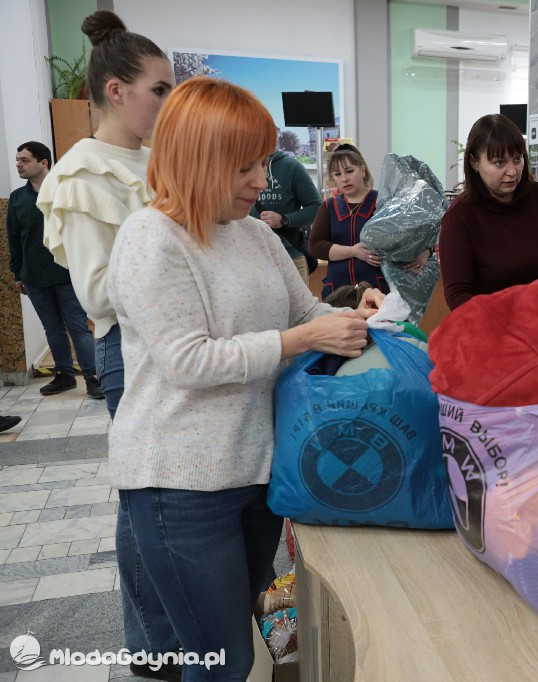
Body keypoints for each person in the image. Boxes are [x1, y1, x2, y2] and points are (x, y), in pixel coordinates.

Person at [105, 76, 377, 681]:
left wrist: (354, 313)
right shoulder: (151, 240)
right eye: (245, 167)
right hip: (179, 484)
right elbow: (188, 360)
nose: (262, 180)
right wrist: (299, 341)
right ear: (198, 160)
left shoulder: (254, 234)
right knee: (219, 656)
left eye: (262, 163)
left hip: (256, 472)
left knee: (238, 642)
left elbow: (306, 313)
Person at [35, 10, 180, 680]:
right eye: (160, 88)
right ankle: (150, 643)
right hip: (131, 350)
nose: (169, 100)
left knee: (179, 502)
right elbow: (97, 293)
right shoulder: (82, 173)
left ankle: (183, 625)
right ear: (117, 90)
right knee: (143, 502)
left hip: (178, 343)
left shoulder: (156, 159)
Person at [439, 113, 538, 310]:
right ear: (474, 162)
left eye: (517, 159)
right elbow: (458, 296)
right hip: (493, 327)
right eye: (499, 162)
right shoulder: (460, 217)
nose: (512, 171)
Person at [8, 141, 102, 399]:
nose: (18, 164)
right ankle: (64, 375)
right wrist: (18, 273)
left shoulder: (67, 191)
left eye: (24, 160)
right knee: (52, 328)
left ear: (43, 163)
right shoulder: (17, 199)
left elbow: (85, 232)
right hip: (35, 276)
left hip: (68, 274)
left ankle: (93, 376)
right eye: (17, 160)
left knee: (79, 327)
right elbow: (14, 239)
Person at [308, 145, 404, 298]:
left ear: (363, 171)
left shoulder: (383, 202)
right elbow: (314, 246)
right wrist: (353, 251)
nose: (344, 178)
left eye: (349, 171)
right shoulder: (329, 206)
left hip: (379, 291)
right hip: (337, 294)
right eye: (338, 174)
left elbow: (406, 238)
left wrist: (425, 252)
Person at [249, 144, 322, 282]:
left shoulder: (291, 167)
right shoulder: (238, 168)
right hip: (252, 258)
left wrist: (284, 219)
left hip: (290, 257)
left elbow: (317, 207)